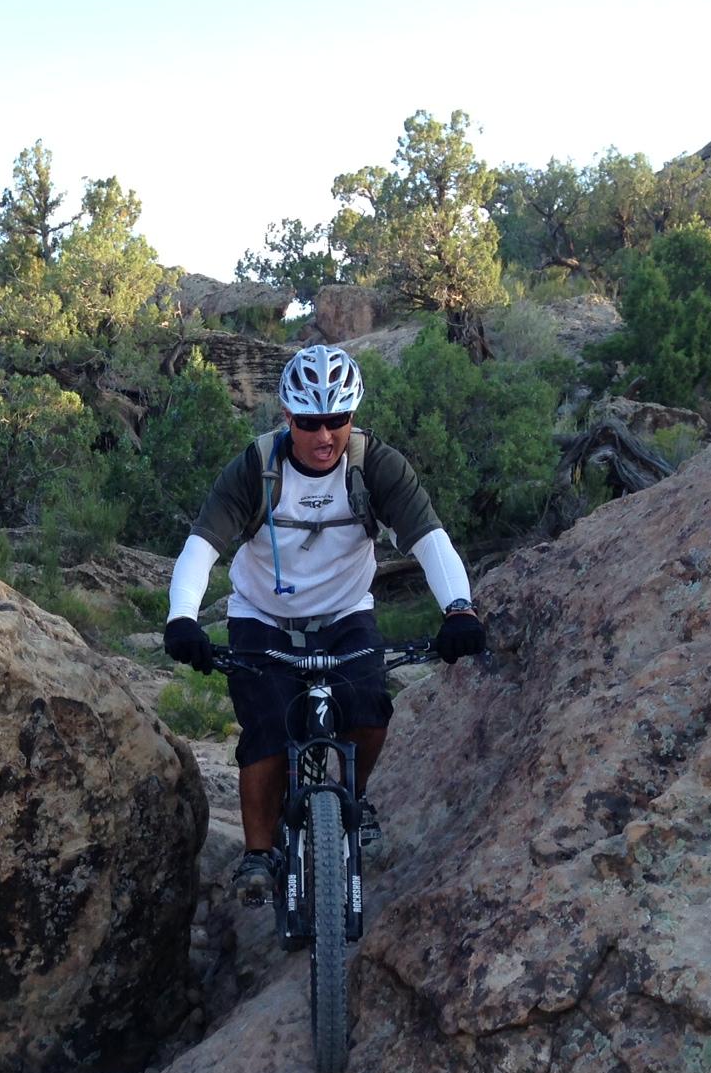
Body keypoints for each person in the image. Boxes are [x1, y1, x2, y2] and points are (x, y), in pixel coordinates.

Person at [162, 343, 486, 906]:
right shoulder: (255, 468)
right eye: (309, 422)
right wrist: (182, 618)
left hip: (344, 613)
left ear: (351, 416)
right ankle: (258, 854)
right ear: (287, 417)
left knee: (370, 709)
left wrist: (459, 608)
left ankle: (353, 803)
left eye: (337, 420)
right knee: (265, 730)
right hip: (261, 616)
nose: (324, 436)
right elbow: (201, 547)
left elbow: (429, 539)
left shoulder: (375, 466)